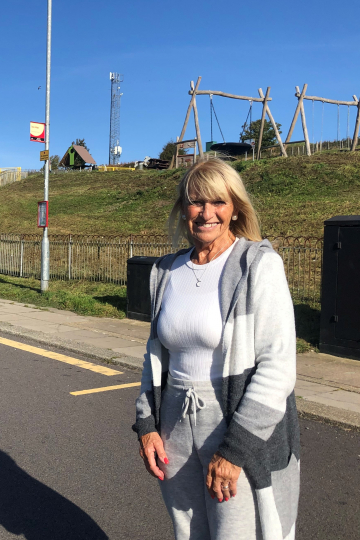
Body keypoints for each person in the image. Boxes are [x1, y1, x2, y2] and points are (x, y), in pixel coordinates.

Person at [133, 158, 300, 540]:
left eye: (218, 202)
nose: (207, 213)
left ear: (236, 207)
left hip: (233, 422)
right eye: (196, 202)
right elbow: (153, 358)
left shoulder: (258, 264)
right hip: (174, 424)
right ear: (183, 209)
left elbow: (278, 367)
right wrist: (146, 426)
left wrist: (234, 450)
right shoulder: (165, 272)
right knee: (188, 533)